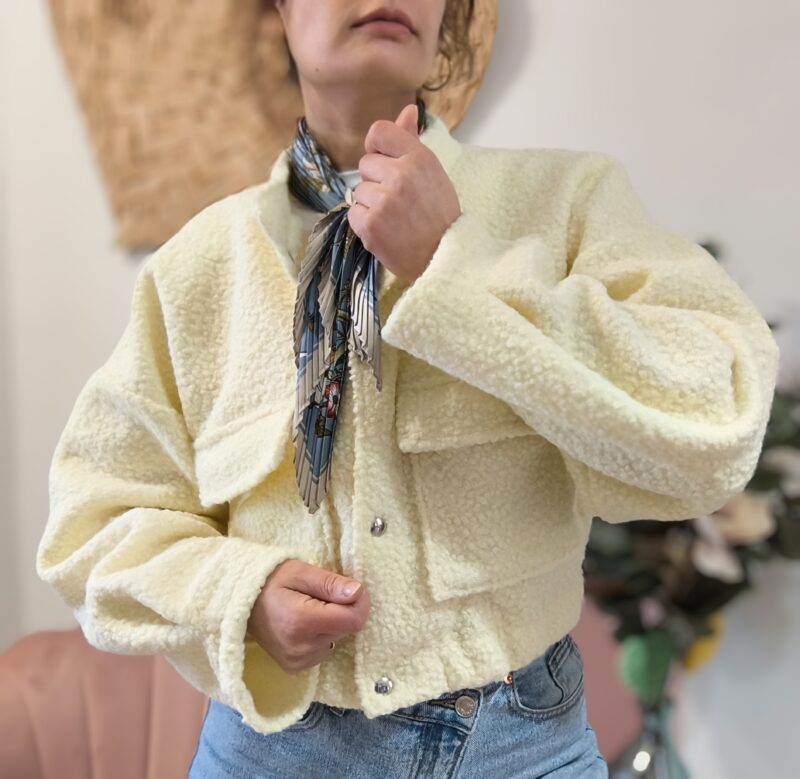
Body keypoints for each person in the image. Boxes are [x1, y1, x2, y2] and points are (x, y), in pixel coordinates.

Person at [36, 1, 780, 777]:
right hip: (268, 753)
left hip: (519, 750)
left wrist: (455, 270)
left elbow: (719, 415)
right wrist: (238, 596)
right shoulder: (198, 269)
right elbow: (91, 525)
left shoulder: (567, 203)